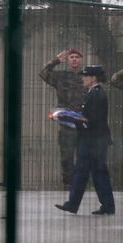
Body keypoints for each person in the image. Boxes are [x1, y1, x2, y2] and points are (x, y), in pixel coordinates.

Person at [55, 65, 115, 215]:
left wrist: (68, 118)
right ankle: (103, 205)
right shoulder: (93, 93)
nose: (83, 78)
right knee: (95, 173)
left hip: (93, 141)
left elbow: (90, 120)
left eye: (85, 76)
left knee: (87, 172)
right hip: (94, 141)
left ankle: (75, 204)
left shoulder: (96, 95)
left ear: (93, 78)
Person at [38, 48, 86, 187]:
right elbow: (43, 73)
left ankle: (82, 185)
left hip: (84, 122)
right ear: (68, 60)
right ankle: (68, 185)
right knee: (67, 157)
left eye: (77, 57)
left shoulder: (87, 76)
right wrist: (56, 61)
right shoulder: (61, 76)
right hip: (67, 123)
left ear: (81, 59)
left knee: (84, 156)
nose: (74, 59)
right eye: (71, 57)